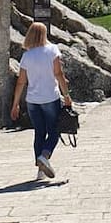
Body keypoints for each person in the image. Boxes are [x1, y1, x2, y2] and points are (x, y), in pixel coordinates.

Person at [10, 21, 72, 181]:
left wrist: (15, 104)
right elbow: (59, 74)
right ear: (44, 34)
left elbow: (21, 82)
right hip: (50, 97)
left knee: (39, 133)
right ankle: (44, 156)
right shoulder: (52, 50)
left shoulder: (27, 56)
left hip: (32, 100)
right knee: (54, 131)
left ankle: (41, 171)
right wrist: (66, 95)